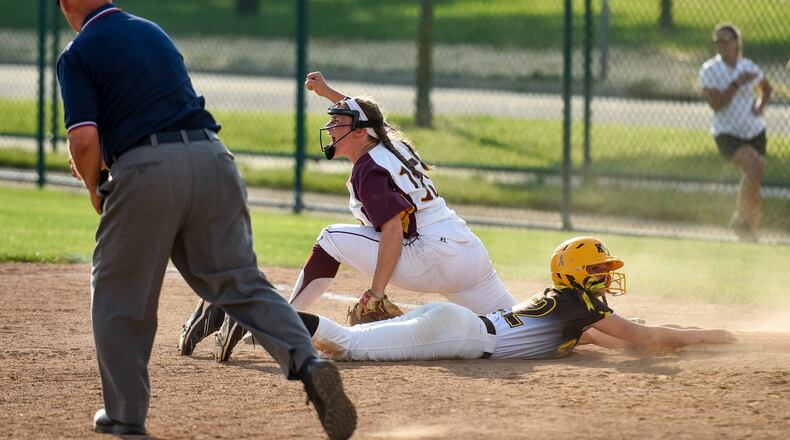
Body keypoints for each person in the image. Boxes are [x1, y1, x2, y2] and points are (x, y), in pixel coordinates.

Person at [55, 2, 355, 438]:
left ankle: (125, 415)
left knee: (121, 295)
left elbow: (84, 140)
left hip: (147, 169)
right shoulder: (151, 32)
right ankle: (307, 362)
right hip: (214, 159)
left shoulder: (78, 52)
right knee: (239, 281)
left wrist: (92, 186)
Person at [178, 71, 518, 362]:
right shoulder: (393, 145)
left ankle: (283, 320)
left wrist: (376, 293)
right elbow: (371, 119)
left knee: (331, 238)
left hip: (429, 257)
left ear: (358, 134)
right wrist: (328, 93)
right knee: (513, 322)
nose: (330, 127)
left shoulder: (369, 169)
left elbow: (392, 233)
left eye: (337, 123)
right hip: (470, 254)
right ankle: (568, 325)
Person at [293, 236, 736, 362]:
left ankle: (264, 323)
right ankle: (268, 316)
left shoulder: (565, 307)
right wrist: (705, 337)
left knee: (349, 339)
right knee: (347, 346)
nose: (605, 278)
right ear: (577, 275)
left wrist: (682, 335)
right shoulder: (579, 307)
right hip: (461, 334)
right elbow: (639, 336)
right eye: (598, 271)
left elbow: (605, 341)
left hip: (455, 323)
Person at [699, 23, 772, 242]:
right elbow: (716, 104)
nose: (722, 45)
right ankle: (740, 218)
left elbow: (766, 88)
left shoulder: (747, 65)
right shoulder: (710, 70)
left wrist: (760, 105)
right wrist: (736, 84)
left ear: (736, 43)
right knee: (754, 167)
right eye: (718, 41)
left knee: (754, 177)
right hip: (728, 133)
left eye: (726, 40)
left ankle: (750, 233)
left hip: (754, 130)